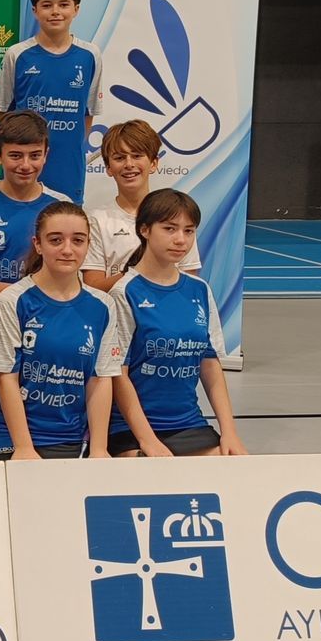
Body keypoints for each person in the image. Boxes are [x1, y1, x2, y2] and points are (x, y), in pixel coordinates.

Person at [108, 190, 246, 458]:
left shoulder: (199, 290)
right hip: (130, 428)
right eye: (169, 229)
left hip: (188, 423)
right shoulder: (124, 292)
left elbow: (210, 365)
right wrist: (148, 441)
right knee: (153, 472)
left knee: (233, 467)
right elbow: (117, 374)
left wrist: (229, 432)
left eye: (189, 230)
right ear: (145, 230)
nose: (181, 239)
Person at [0, 202, 127, 460]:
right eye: (55, 240)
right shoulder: (12, 301)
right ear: (38, 244)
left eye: (78, 240)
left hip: (71, 436)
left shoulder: (103, 305)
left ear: (88, 245)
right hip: (12, 436)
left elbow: (100, 379)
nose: (67, 249)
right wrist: (24, 448)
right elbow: (6, 378)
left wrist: (99, 448)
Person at [0, 0, 100, 204]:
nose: (55, 11)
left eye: (63, 4)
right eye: (47, 5)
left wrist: (69, 146)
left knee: (66, 223)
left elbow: (87, 114)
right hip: (26, 168)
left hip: (69, 168)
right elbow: (4, 116)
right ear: (35, 10)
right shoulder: (17, 54)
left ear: (76, 9)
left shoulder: (90, 55)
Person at [0, 109, 73, 302]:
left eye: (34, 156)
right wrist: (28, 295)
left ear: (45, 155)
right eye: (16, 156)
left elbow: (70, 275)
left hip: (50, 312)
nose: (25, 165)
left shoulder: (63, 206)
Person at [84, 119, 202, 292]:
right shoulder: (96, 219)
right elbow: (93, 288)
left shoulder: (178, 215)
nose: (129, 164)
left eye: (137, 156)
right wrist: (143, 271)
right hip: (115, 309)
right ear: (108, 167)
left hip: (165, 308)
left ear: (153, 163)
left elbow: (189, 284)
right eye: (119, 158)